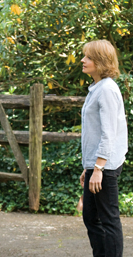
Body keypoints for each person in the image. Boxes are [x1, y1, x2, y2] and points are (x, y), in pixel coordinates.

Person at [79, 39, 128, 257]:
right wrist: (89, 167)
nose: (83, 60)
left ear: (100, 61)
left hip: (104, 166)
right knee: (91, 217)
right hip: (96, 164)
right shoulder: (97, 88)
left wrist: (98, 168)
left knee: (108, 220)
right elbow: (95, 132)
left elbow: (110, 132)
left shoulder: (107, 89)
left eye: (88, 57)